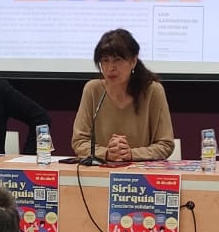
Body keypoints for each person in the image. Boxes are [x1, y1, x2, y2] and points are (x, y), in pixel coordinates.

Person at [70, 28, 175, 162]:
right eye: (105, 60)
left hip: (141, 171)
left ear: (133, 61)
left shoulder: (153, 91)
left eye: (117, 60)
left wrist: (130, 154)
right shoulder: (93, 89)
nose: (110, 68)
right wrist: (107, 153)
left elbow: (165, 144)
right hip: (102, 169)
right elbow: (79, 141)